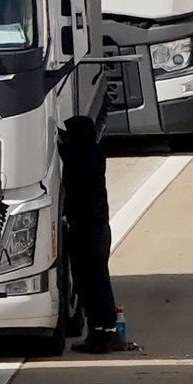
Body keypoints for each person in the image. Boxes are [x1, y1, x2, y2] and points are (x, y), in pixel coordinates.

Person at [59, 113, 130, 352]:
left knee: (95, 280)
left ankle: (105, 332)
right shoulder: (88, 153)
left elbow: (72, 163)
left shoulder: (88, 157)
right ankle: (96, 331)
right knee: (85, 281)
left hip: (91, 229)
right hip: (86, 228)